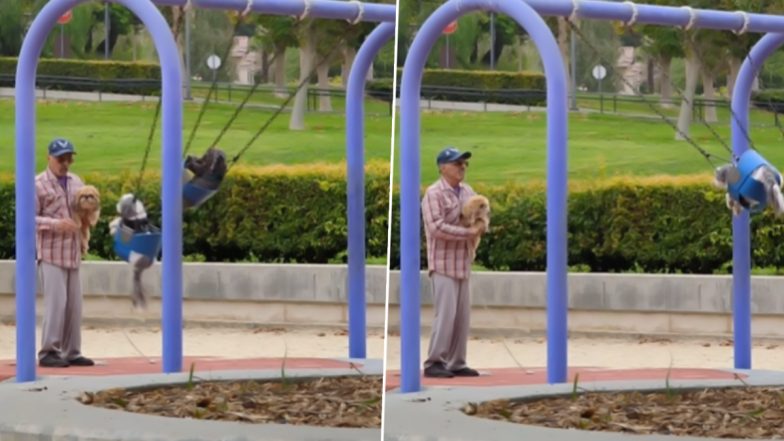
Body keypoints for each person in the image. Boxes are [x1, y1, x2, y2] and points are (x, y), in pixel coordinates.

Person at [420, 146, 483, 378]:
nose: (462, 168)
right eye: (457, 164)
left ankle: (457, 362)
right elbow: (435, 228)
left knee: (462, 317)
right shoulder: (433, 193)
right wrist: (468, 233)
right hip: (443, 263)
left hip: (463, 262)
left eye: (464, 164)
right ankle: (434, 362)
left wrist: (482, 223)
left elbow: (480, 214)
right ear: (442, 167)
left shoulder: (468, 191)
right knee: (445, 315)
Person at [34, 138, 94, 368]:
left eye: (69, 158)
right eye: (61, 158)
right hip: (50, 253)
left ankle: (72, 351)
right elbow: (28, 219)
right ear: (49, 157)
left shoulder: (76, 181)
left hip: (73, 252)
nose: (65, 163)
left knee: (74, 306)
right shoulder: (37, 184)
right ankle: (48, 351)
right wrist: (55, 224)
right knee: (56, 304)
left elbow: (84, 210)